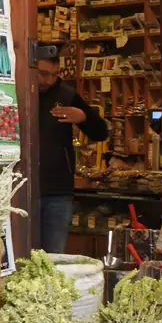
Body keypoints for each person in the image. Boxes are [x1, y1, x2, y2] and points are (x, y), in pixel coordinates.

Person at [37, 55, 108, 253]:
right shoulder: (17, 89)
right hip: (21, 190)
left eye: (54, 74)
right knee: (20, 256)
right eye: (43, 74)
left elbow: (101, 132)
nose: (48, 80)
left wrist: (83, 117)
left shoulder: (66, 95)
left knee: (53, 259)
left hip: (58, 192)